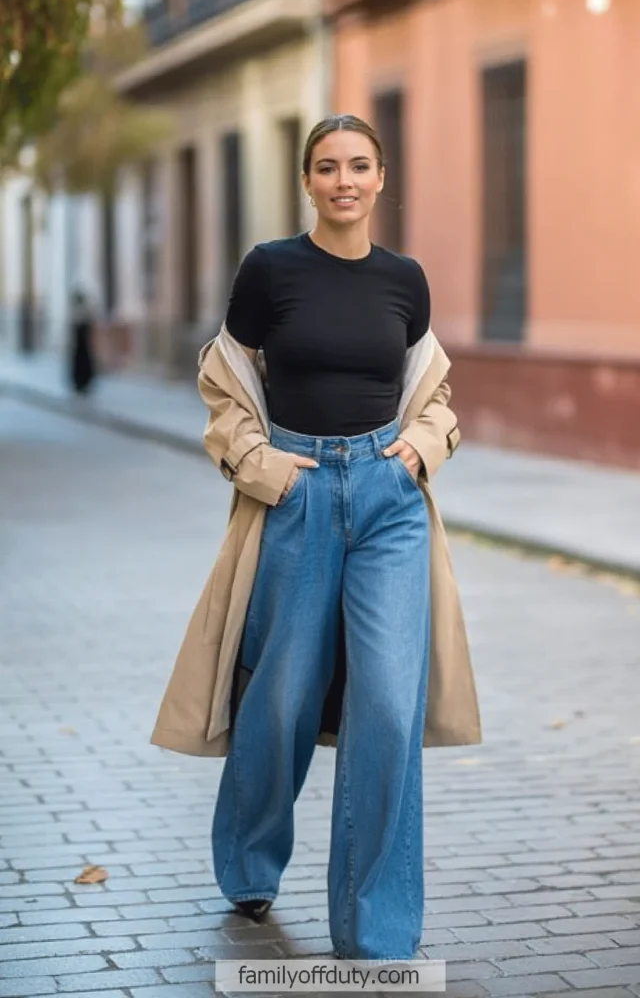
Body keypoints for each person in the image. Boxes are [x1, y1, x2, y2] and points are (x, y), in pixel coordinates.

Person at [149, 113, 481, 962]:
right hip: (294, 498)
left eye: (358, 166)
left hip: (387, 500)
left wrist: (420, 450)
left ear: (379, 179)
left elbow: (431, 392)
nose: (343, 179)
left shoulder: (404, 281)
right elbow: (221, 381)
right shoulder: (269, 270)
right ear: (307, 181)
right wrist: (261, 466)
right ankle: (250, 864)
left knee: (386, 706)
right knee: (283, 698)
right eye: (327, 166)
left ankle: (375, 930)